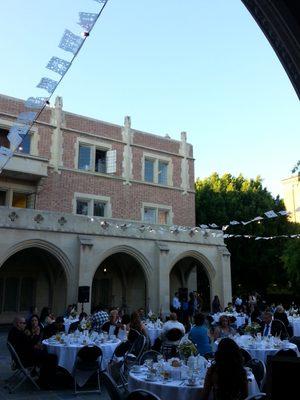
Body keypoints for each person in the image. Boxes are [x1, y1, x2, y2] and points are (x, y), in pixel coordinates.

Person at [8, 316, 57, 389]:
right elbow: (31, 344)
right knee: (52, 357)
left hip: (21, 356)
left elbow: (28, 344)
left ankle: (43, 379)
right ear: (18, 324)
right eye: (24, 323)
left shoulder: (14, 331)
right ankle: (44, 382)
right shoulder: (19, 334)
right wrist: (37, 334)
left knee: (45, 354)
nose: (25, 325)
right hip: (25, 359)